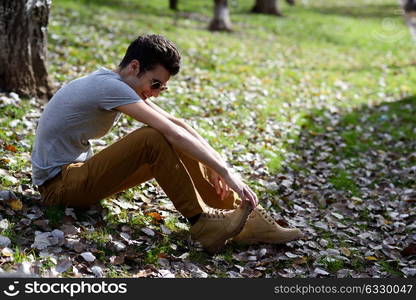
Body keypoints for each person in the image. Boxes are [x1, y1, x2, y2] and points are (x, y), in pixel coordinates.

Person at [31, 34, 302, 254]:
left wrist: (223, 169)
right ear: (134, 67)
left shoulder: (116, 82)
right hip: (58, 188)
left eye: (162, 88)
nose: (155, 93)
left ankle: (247, 216)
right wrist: (226, 171)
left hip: (79, 176)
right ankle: (201, 223)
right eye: (155, 83)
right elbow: (168, 131)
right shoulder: (109, 87)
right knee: (153, 138)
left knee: (172, 138)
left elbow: (180, 125)